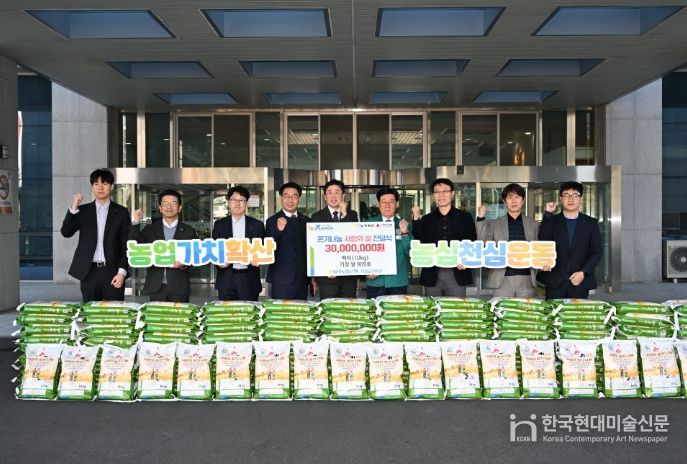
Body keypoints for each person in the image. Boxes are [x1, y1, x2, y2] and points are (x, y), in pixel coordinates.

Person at [60, 169, 131, 301]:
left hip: (113, 271)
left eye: (104, 183)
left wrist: (122, 272)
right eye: (96, 184)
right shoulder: (82, 211)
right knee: (90, 310)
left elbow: (125, 244)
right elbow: (66, 232)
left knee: (113, 310)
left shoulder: (121, 212)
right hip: (89, 271)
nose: (100, 187)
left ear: (111, 186)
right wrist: (74, 207)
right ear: (92, 187)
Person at [412, 178, 477, 297]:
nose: (441, 195)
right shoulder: (427, 219)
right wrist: (416, 219)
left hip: (457, 271)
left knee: (456, 306)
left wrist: (466, 259)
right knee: (432, 306)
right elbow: (420, 241)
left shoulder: (465, 217)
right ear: (433, 195)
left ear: (452, 193)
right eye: (437, 192)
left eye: (445, 191)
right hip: (432, 272)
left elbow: (471, 241)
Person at [130, 190, 198, 302]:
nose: (169, 207)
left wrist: (184, 264)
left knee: (179, 314)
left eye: (173, 203)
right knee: (156, 314)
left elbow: (196, 255)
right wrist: (136, 222)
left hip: (179, 286)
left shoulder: (189, 231)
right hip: (156, 286)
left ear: (180, 208)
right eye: (165, 203)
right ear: (160, 208)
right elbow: (134, 246)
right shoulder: (150, 229)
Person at [537, 181, 602, 299]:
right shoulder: (552, 220)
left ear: (581, 198)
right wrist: (548, 214)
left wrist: (583, 272)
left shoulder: (591, 223)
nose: (570, 199)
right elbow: (543, 241)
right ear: (561, 199)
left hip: (579, 281)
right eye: (566, 195)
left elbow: (596, 251)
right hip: (555, 281)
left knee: (577, 311)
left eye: (575, 195)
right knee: (553, 311)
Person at [475, 183, 539, 298]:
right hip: (501, 279)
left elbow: (539, 249)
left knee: (526, 309)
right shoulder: (494, 224)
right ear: (504, 202)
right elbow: (482, 244)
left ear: (523, 200)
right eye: (510, 198)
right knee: (502, 309)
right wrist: (481, 218)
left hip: (527, 280)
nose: (513, 201)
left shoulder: (533, 224)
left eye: (517, 197)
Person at [212, 186, 265, 301]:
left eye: (241, 200)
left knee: (249, 311)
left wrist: (259, 258)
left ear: (246, 203)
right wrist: (219, 263)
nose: (237, 203)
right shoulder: (219, 225)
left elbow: (263, 249)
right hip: (227, 278)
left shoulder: (257, 225)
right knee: (227, 311)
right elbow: (214, 250)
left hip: (249, 278)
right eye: (234, 200)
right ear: (229, 202)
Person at [310, 179, 360, 298]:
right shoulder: (316, 217)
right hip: (327, 277)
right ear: (325, 197)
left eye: (337, 192)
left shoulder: (352, 215)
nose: (333, 196)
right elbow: (313, 247)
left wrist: (344, 214)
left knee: (348, 307)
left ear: (343, 195)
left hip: (348, 276)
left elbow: (354, 238)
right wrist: (317, 274)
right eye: (330, 192)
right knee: (328, 307)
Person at [265, 182, 310, 300]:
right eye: (286, 196)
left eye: (294, 196)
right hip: (281, 280)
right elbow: (268, 248)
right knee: (282, 311)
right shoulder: (272, 221)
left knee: (301, 310)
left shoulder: (306, 220)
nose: (290, 200)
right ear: (281, 198)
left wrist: (313, 278)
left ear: (299, 199)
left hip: (302, 279)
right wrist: (279, 230)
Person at [365, 187, 412, 298]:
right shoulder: (368, 224)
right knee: (374, 308)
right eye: (384, 202)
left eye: (391, 202)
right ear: (379, 204)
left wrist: (404, 233)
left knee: (397, 309)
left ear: (397, 204)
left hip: (398, 280)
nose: (387, 205)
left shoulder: (404, 225)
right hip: (376, 281)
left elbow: (410, 251)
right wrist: (367, 268)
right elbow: (362, 250)